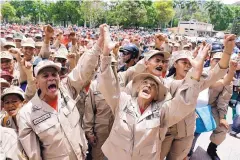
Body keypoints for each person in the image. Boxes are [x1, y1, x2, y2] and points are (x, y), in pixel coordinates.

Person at [96, 25, 229, 160]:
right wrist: (106, 54)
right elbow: (108, 85)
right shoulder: (124, 99)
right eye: (144, 82)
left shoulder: (162, 109)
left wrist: (196, 72)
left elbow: (186, 99)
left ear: (159, 94)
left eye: (154, 85)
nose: (148, 85)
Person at [17, 24, 107, 160]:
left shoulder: (67, 91)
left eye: (54, 74)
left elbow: (83, 69)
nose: (51, 78)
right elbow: (34, 155)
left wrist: (100, 42)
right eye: (45, 76)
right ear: (36, 83)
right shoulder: (26, 114)